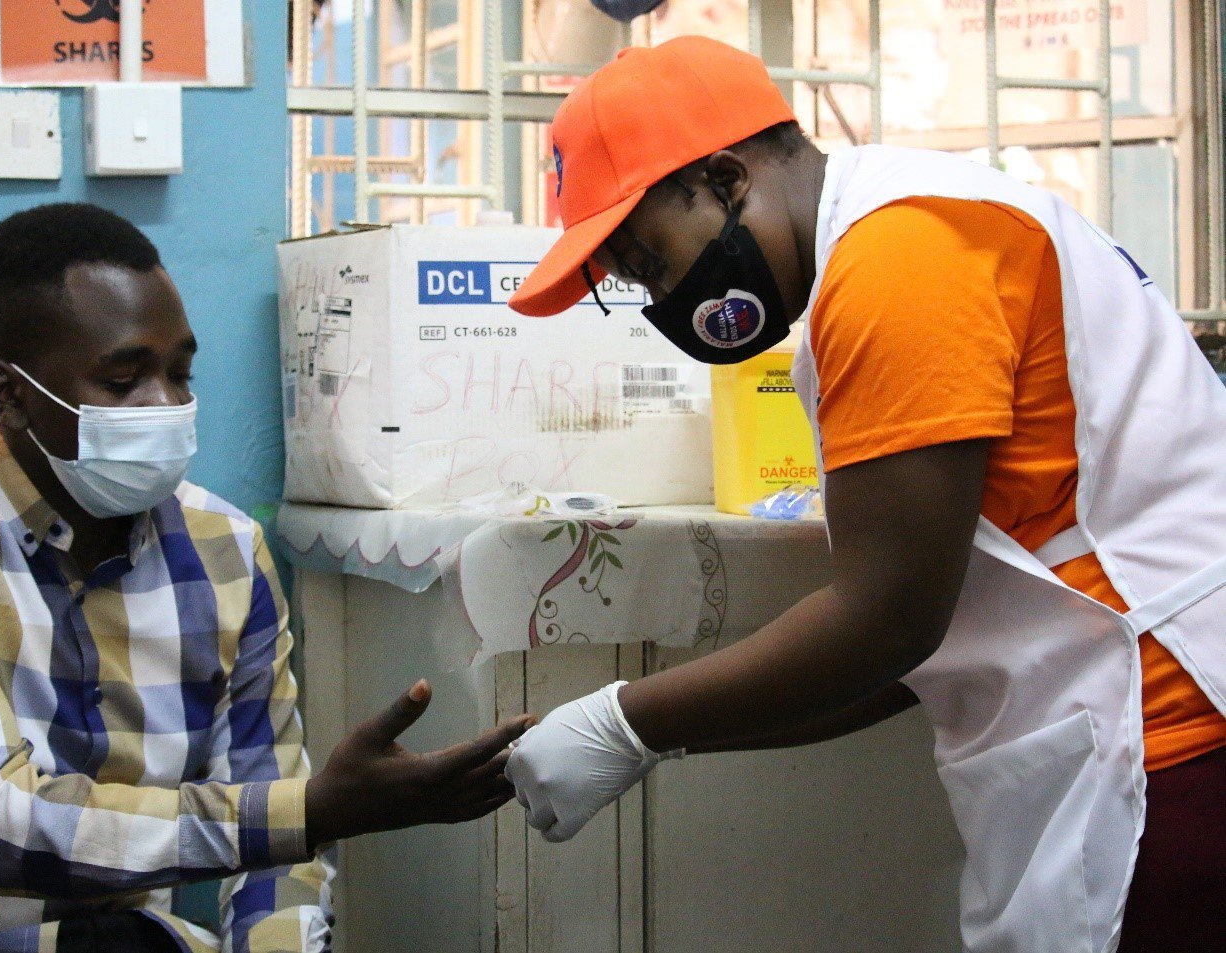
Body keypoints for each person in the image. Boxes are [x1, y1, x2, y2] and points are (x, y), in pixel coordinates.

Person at [503, 36, 1226, 952]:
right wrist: (649, 738)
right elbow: (921, 636)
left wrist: (625, 722)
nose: (663, 298)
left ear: (727, 178)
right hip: (1138, 737)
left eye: (652, 260)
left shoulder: (900, 260)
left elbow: (889, 621)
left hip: (1171, 744)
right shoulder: (912, 226)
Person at [0, 203, 531, 953]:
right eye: (124, 380)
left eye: (180, 373)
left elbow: (275, 861)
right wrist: (313, 811)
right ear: (11, 394)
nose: (167, 406)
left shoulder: (225, 549)